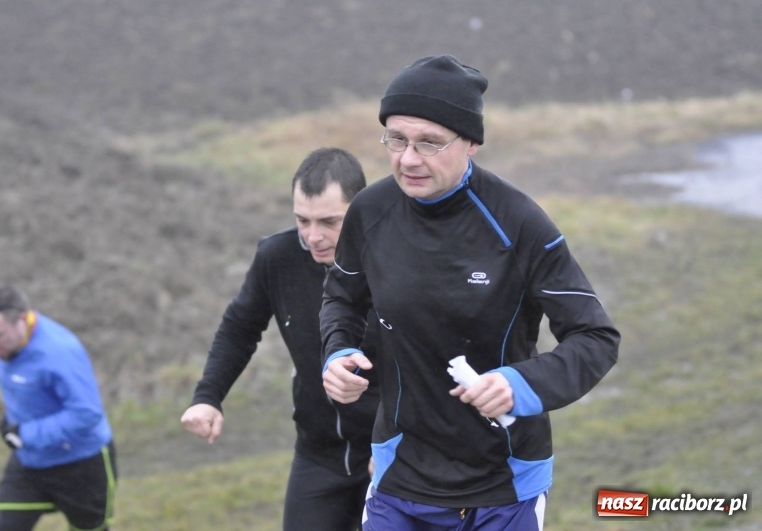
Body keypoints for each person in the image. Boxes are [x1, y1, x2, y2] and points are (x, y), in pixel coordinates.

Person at [320, 55, 620, 531]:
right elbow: (342, 297)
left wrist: (520, 385)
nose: (408, 159)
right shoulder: (370, 211)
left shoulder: (519, 224)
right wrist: (338, 352)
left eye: (429, 143)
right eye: (395, 139)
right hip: (401, 475)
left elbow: (595, 337)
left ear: (472, 143)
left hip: (503, 482)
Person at [181, 147, 379, 531]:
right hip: (318, 454)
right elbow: (239, 328)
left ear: (360, 211)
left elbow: (434, 353)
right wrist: (208, 396)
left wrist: (402, 440)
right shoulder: (278, 257)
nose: (313, 236)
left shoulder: (396, 258)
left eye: (329, 221)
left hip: (392, 452)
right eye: (302, 220)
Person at [0, 283, 117, 531]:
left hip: (81, 464)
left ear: (21, 320)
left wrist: (26, 434)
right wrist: (12, 422)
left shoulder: (59, 352)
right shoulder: (9, 343)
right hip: (30, 462)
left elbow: (87, 413)